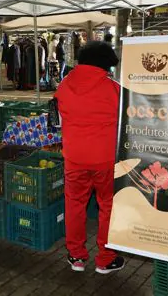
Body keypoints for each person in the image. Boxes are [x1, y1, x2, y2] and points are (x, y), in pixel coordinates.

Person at [55, 41, 125, 274]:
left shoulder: (64, 85)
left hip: (74, 157)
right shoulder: (114, 89)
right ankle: (105, 258)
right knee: (107, 205)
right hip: (105, 159)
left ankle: (76, 255)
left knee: (74, 204)